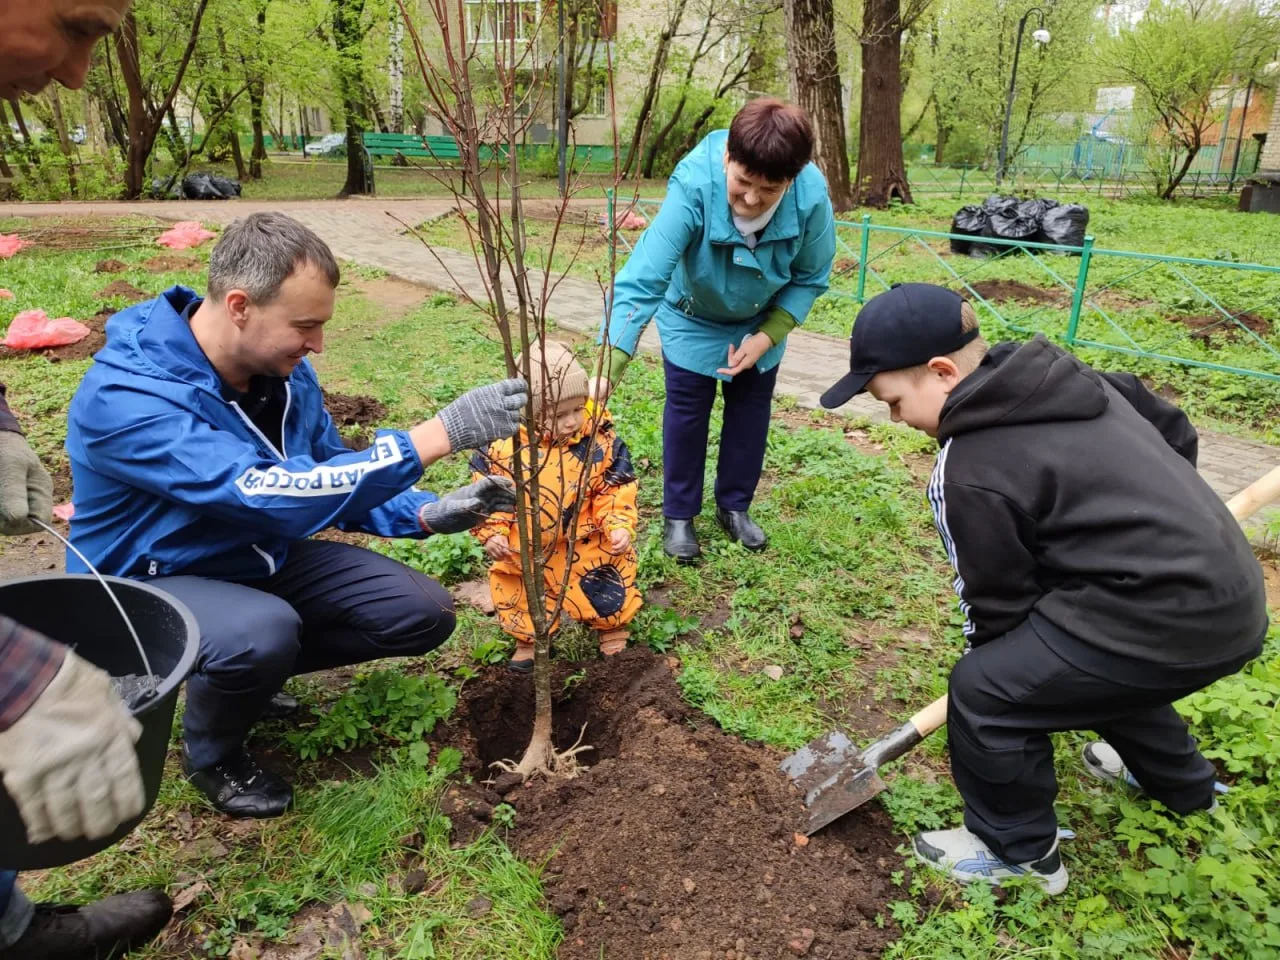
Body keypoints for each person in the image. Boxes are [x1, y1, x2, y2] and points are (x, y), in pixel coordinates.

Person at [65, 213, 527, 819]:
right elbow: (261, 491)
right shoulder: (127, 398)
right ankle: (212, 752)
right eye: (305, 326)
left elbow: (326, 467)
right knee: (262, 632)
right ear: (239, 306)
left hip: (251, 555)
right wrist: (435, 437)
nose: (317, 345)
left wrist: (426, 512)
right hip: (143, 584)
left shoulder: (282, 375)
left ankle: (243, 678)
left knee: (422, 612)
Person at [819, 283, 1267, 895]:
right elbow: (1176, 433)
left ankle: (1018, 851)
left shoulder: (971, 468)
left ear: (942, 372)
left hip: (1155, 616)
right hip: (1231, 601)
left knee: (988, 691)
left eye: (893, 402)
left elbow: (997, 607)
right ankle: (1183, 785)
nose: (897, 419)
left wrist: (1010, 686)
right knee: (1095, 664)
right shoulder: (1079, 379)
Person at [0, 1, 178, 956]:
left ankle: (7, 926)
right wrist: (14, 679)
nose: (77, 75)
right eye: (77, 26)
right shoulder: (138, 392)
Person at [594, 97, 835, 563]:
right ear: (728, 156)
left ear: (792, 178)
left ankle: (734, 507)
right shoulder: (695, 184)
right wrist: (609, 366)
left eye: (768, 190)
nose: (750, 199)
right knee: (687, 411)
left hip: (761, 322)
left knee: (750, 412)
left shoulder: (810, 196)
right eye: (742, 182)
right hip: (691, 315)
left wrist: (766, 336)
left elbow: (810, 277)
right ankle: (679, 516)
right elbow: (644, 277)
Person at [472, 341, 641, 671]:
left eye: (579, 409)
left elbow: (614, 485)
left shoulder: (599, 438)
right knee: (518, 582)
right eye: (558, 415)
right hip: (527, 537)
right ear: (528, 413)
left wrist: (617, 522)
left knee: (605, 572)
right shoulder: (504, 448)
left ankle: (612, 626)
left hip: (584, 533)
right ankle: (529, 638)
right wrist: (492, 530)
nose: (571, 422)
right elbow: (490, 492)